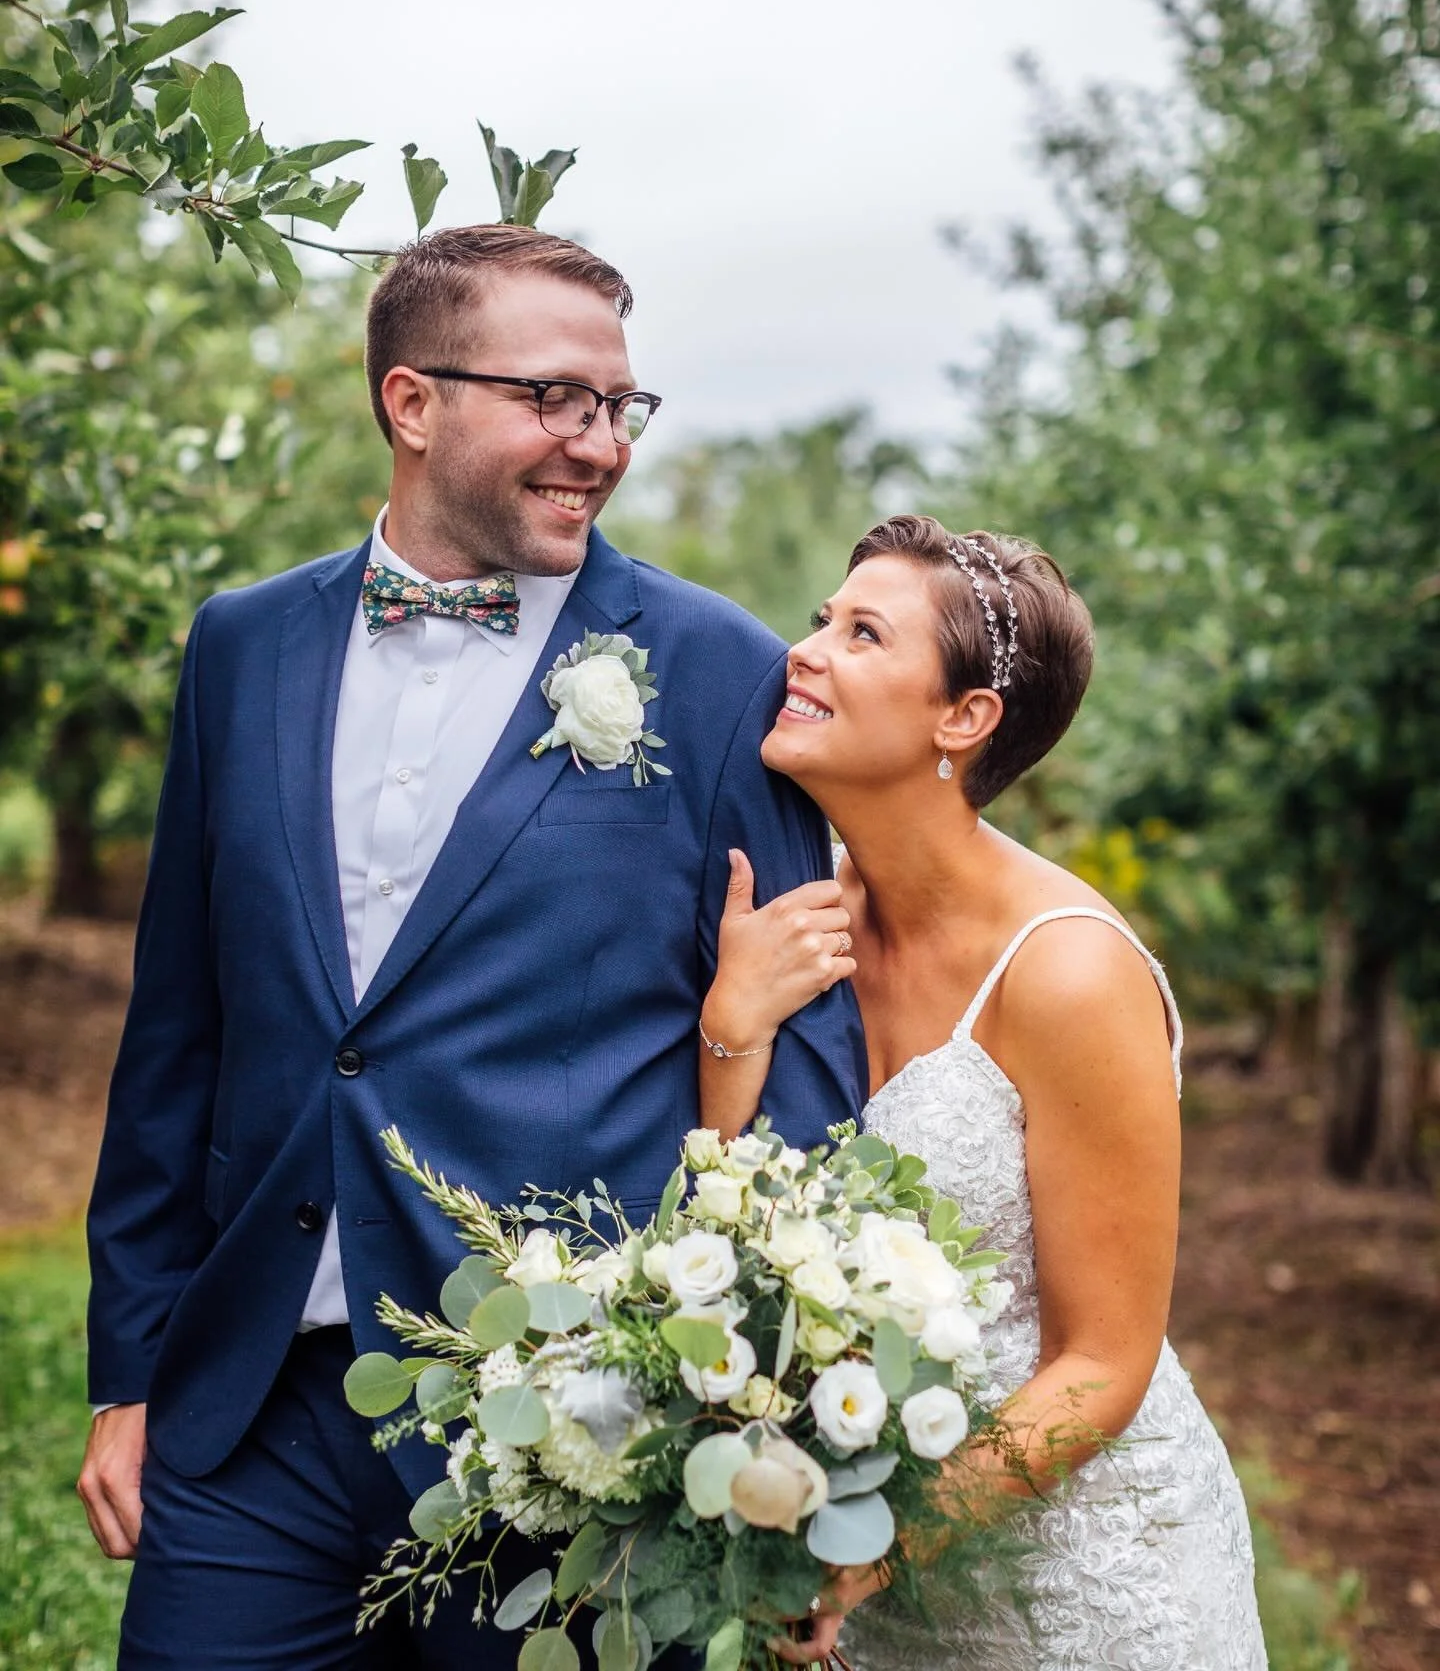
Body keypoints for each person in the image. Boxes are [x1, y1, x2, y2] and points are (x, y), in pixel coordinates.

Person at [78, 224, 867, 1669]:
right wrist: (126, 1369)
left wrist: (776, 1433)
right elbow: (180, 1026)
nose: (600, 444)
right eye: (555, 399)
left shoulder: (716, 669)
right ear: (413, 402)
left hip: (574, 1433)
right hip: (254, 1405)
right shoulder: (241, 644)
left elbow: (807, 1056)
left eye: (620, 406)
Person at [700, 514, 1267, 1670]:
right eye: (821, 620)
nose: (804, 650)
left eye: (863, 634)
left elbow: (1105, 1362)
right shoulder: (801, 926)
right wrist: (732, 1026)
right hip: (879, 1574)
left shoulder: (1067, 971)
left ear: (964, 719)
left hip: (1088, 1583)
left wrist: (870, 1547)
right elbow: (730, 1220)